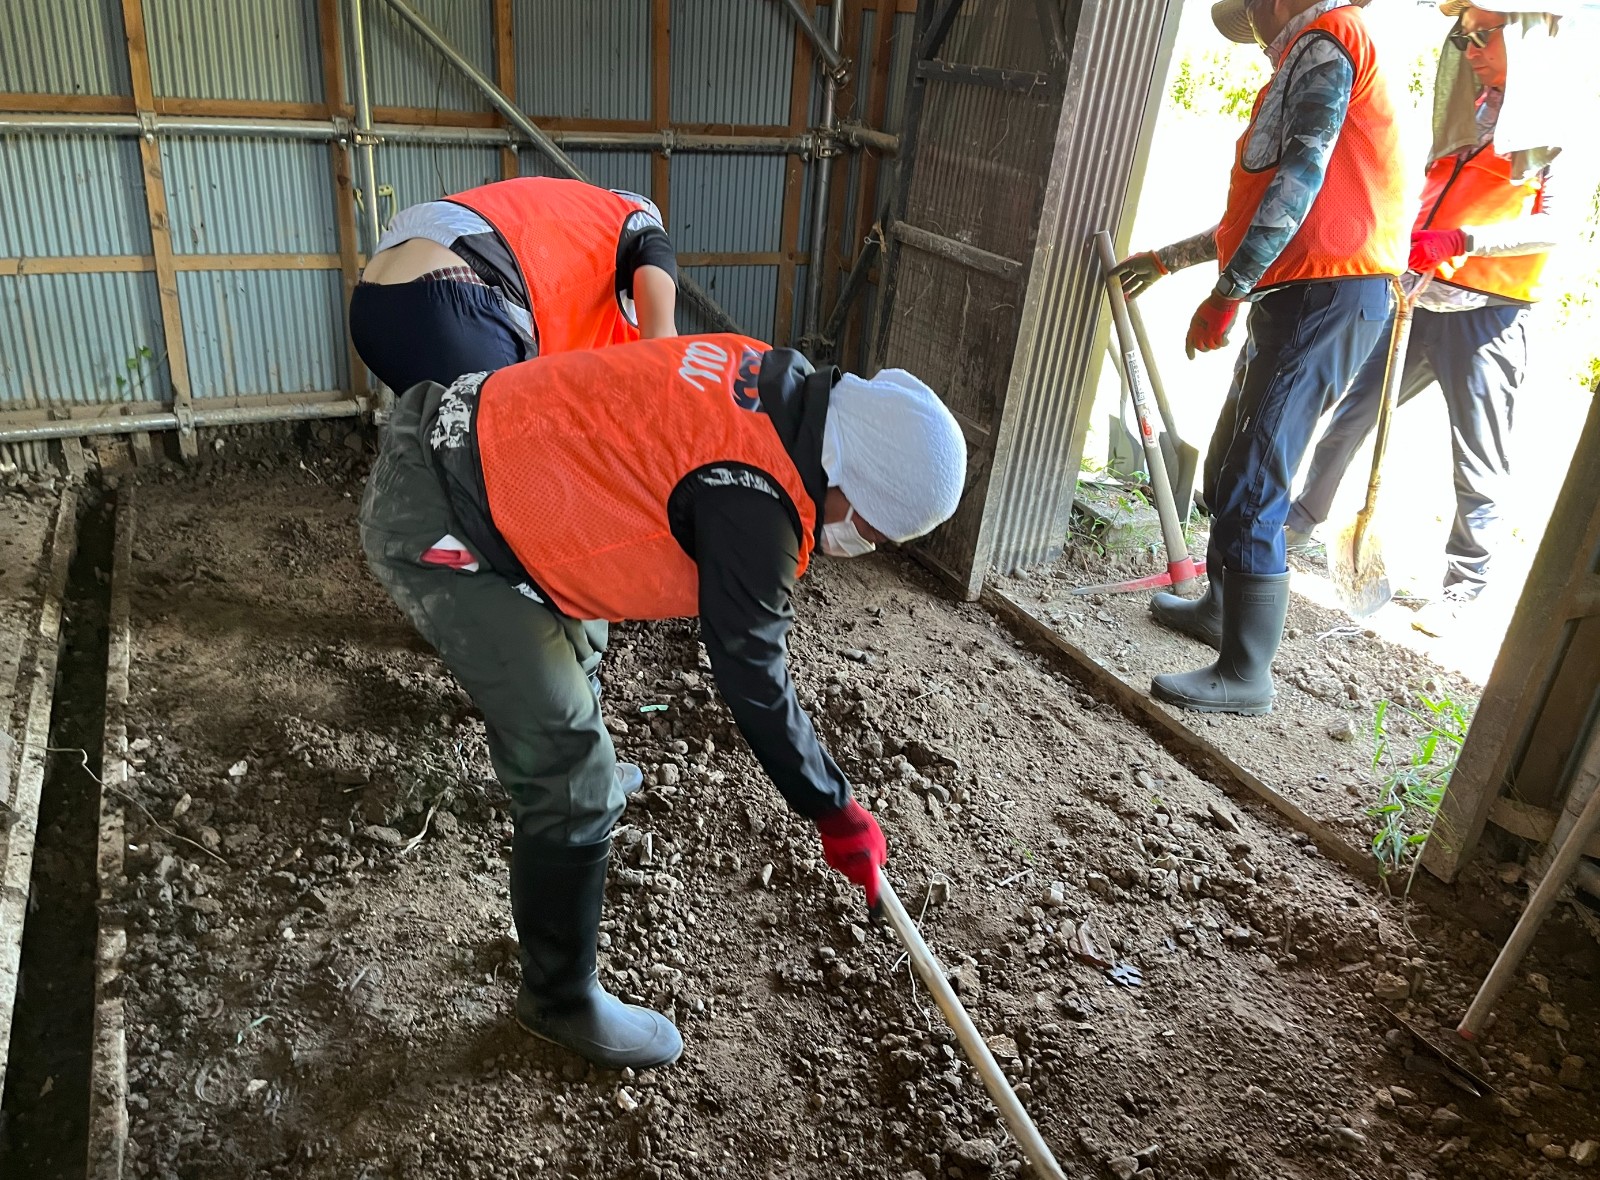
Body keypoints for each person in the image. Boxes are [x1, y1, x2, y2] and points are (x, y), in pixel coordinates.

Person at [358, 333, 966, 1069]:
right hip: (444, 517)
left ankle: (565, 787)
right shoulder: (755, 500)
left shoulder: (779, 384)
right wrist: (834, 809)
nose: (866, 543)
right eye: (872, 528)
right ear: (857, 479)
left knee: (582, 644)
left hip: (468, 436)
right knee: (571, 771)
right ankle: (558, 998)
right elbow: (753, 673)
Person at [1113, 0, 1406, 714]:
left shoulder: (1328, 42)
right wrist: (1170, 258)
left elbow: (1298, 182)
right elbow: (1260, 210)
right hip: (1303, 294)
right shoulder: (1314, 50)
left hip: (1327, 296)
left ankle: (1246, 672)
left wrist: (1226, 294)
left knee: (1255, 475)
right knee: (1229, 461)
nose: (1253, 28)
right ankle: (1221, 606)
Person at [1284, 2, 1568, 636]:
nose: (1471, 51)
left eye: (1484, 36)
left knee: (1477, 458)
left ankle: (1464, 589)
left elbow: (1556, 226)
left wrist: (1462, 240)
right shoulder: (1474, 115)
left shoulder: (1560, 128)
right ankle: (1300, 521)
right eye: (1464, 39)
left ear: (1528, 36)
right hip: (1418, 299)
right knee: (1354, 413)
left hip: (1488, 318)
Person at [349, 176, 679, 394]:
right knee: (519, 455)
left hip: (371, 308)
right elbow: (662, 350)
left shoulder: (581, 218)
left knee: (447, 459)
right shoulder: (642, 225)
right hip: (450, 297)